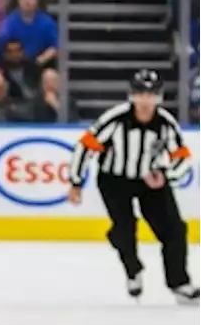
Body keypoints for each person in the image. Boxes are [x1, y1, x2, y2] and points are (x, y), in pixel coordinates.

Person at [68, 69, 198, 304]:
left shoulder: (166, 123)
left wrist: (166, 175)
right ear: (131, 95)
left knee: (175, 230)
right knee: (125, 228)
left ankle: (179, 283)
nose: (145, 100)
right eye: (140, 94)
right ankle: (133, 269)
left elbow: (183, 158)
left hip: (152, 181)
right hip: (114, 180)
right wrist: (76, 182)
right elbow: (85, 147)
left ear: (159, 97)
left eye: (151, 94)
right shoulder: (115, 118)